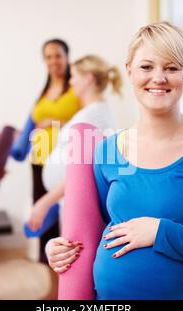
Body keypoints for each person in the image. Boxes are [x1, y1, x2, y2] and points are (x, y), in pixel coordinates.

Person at [45, 22, 183, 299]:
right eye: (146, 67)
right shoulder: (109, 150)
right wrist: (59, 250)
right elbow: (98, 230)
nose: (158, 78)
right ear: (129, 71)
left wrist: (161, 232)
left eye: (171, 68)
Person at [28, 54, 122, 233]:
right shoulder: (91, 112)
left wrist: (45, 201)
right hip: (71, 199)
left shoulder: (93, 115)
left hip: (78, 200)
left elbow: (82, 169)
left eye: (73, 76)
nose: (70, 82)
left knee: (72, 256)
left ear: (88, 79)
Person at [28, 39, 81, 299]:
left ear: (67, 57)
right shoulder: (44, 89)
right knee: (45, 224)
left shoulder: (77, 87)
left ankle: (69, 287)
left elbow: (86, 123)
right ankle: (52, 287)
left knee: (68, 225)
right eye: (48, 57)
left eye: (58, 56)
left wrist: (56, 122)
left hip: (65, 168)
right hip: (39, 163)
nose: (53, 61)